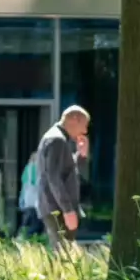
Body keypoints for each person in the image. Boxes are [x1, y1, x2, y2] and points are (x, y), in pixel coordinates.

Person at [36, 105, 90, 249]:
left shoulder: (56, 138)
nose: (85, 131)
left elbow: (66, 172)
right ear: (74, 119)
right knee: (62, 256)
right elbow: (54, 178)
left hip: (55, 207)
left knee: (62, 255)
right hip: (57, 209)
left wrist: (81, 155)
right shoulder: (57, 140)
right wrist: (67, 210)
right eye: (84, 125)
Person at [18, 151, 43, 237]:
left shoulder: (27, 169)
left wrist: (21, 201)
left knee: (27, 221)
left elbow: (24, 187)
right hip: (37, 202)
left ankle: (23, 237)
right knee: (36, 224)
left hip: (28, 201)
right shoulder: (39, 169)